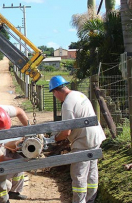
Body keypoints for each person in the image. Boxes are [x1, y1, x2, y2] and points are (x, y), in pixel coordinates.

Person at [49, 75, 106, 203]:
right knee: (92, 170)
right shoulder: (78, 94)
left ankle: (79, 201)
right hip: (95, 137)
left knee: (79, 174)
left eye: (53, 93)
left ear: (56, 91)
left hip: (84, 141)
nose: (55, 97)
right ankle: (91, 199)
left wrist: (55, 139)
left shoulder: (67, 104)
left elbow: (66, 131)